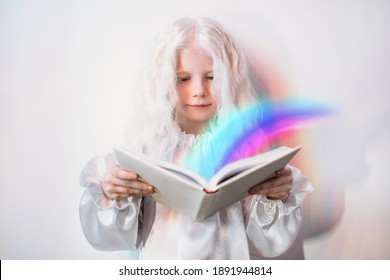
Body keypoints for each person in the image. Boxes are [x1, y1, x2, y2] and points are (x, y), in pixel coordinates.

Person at [79, 17, 313, 259]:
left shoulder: (249, 150)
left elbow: (268, 241)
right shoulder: (147, 148)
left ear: (229, 79)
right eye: (184, 79)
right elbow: (113, 234)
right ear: (165, 82)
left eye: (211, 77)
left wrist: (276, 196)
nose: (199, 90)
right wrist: (113, 191)